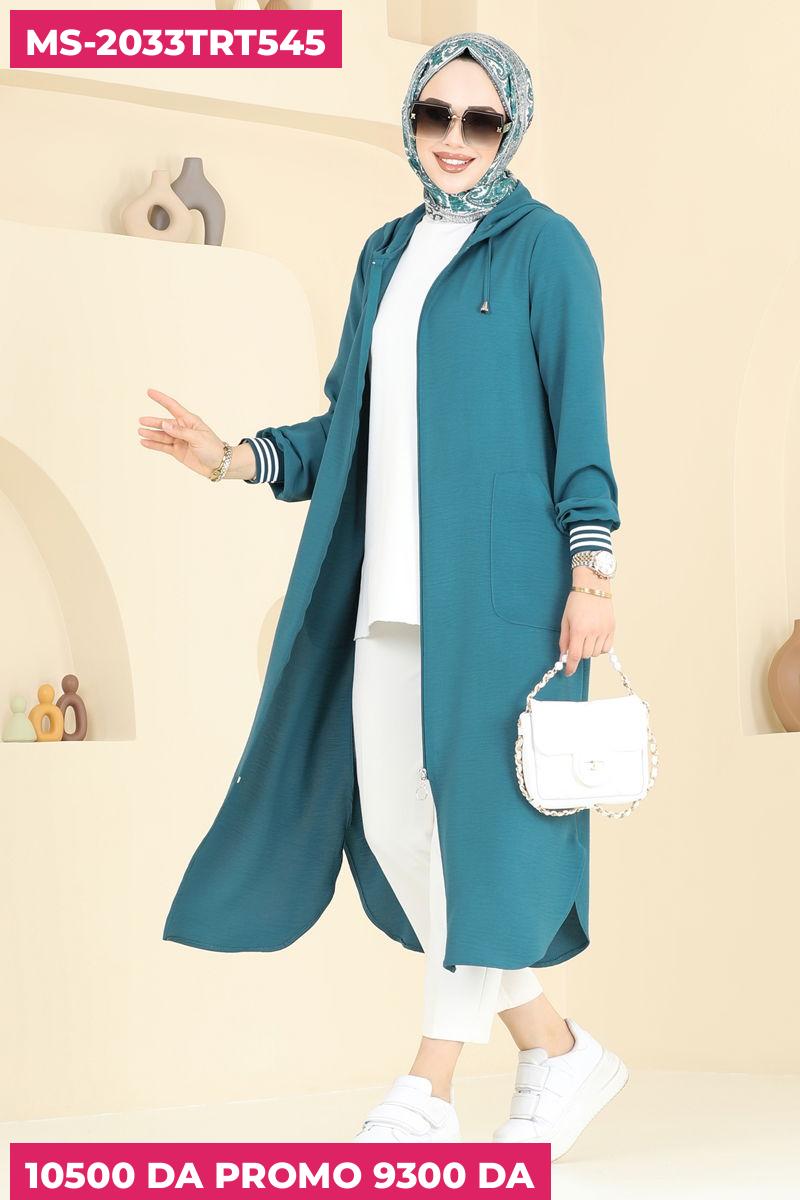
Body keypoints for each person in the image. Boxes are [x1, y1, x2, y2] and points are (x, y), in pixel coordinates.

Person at [142, 32, 627, 1155]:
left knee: (473, 840)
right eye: (432, 115)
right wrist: (233, 458)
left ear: (510, 128)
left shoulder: (548, 250)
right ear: (410, 122)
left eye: (478, 120)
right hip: (386, 599)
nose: (453, 139)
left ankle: (427, 1085)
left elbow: (583, 428)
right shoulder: (384, 254)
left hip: (503, 606)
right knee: (405, 835)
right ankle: (557, 1049)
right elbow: (348, 427)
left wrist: (592, 570)